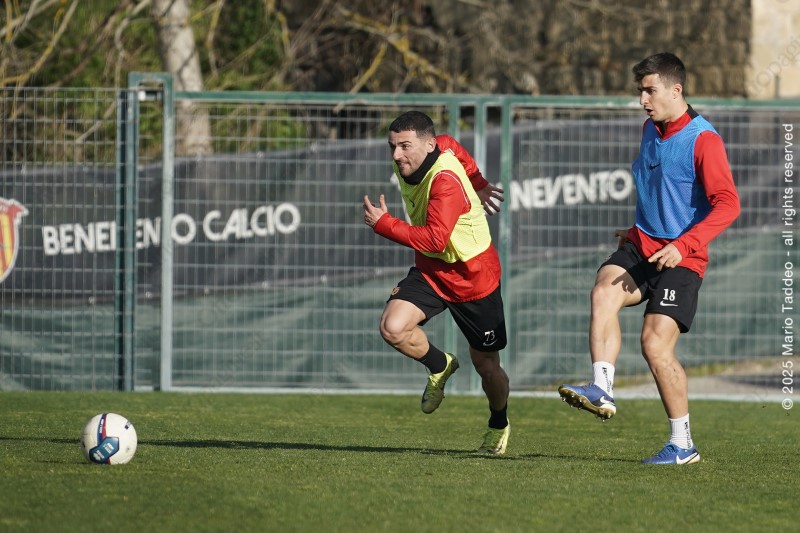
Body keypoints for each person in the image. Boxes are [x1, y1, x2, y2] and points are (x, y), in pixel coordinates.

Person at [558, 52, 741, 465]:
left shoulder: (703, 140)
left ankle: (682, 444)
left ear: (676, 90)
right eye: (640, 91)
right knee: (603, 292)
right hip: (642, 245)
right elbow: (660, 188)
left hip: (682, 259)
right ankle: (602, 388)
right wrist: (636, 230)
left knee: (655, 346)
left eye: (649, 91)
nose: (642, 99)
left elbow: (728, 204)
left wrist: (683, 245)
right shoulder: (650, 128)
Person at [363, 110, 510, 455]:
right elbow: (454, 145)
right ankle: (439, 364)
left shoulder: (444, 181)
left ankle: (498, 423)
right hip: (432, 269)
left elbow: (434, 239)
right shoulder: (436, 146)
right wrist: (480, 182)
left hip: (473, 277)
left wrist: (384, 224)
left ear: (427, 146)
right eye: (392, 146)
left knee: (487, 367)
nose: (397, 155)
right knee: (393, 328)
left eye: (405, 146)